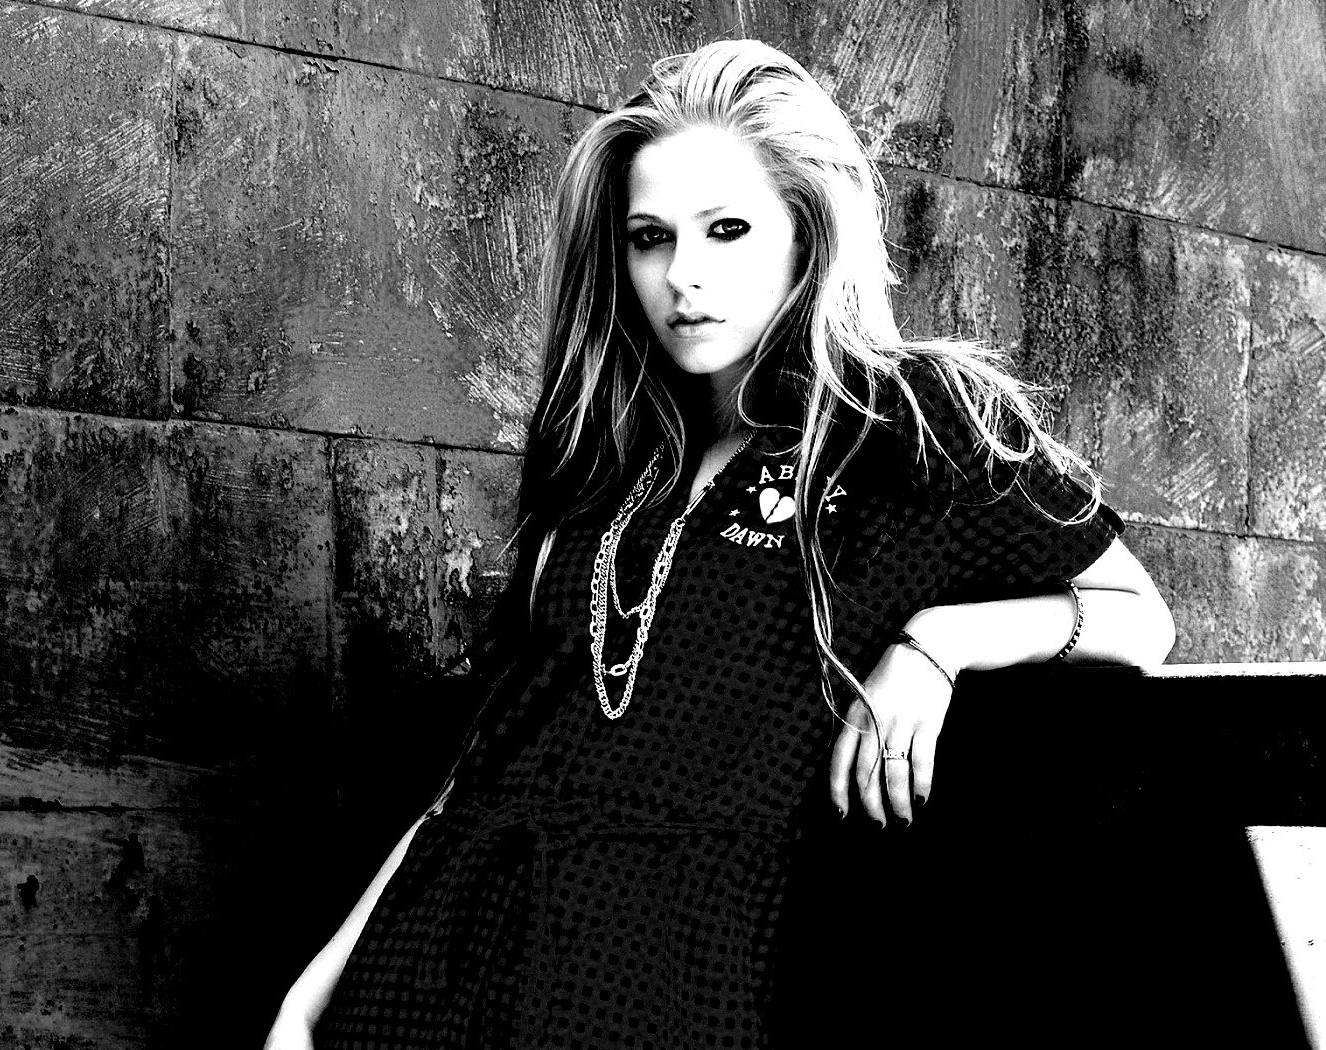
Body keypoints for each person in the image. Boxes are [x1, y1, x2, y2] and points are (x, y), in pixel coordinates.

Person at [264, 38, 1176, 1050]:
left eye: (727, 230)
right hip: (425, 980)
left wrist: (939, 645)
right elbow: (484, 766)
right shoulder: (604, 455)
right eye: (650, 238)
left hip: (667, 985)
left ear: (805, 233)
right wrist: (309, 997)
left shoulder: (908, 424)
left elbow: (1140, 619)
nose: (682, 277)